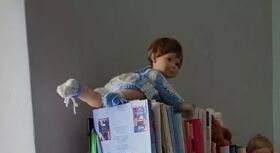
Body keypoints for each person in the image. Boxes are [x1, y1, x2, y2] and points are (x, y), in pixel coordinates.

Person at [57, 37, 193, 114]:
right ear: (154, 58)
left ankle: (77, 90)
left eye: (177, 64)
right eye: (169, 59)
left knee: (98, 99)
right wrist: (182, 105)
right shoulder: (155, 75)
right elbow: (168, 93)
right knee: (142, 93)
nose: (174, 65)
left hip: (116, 83)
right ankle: (116, 98)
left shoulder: (143, 72)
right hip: (132, 86)